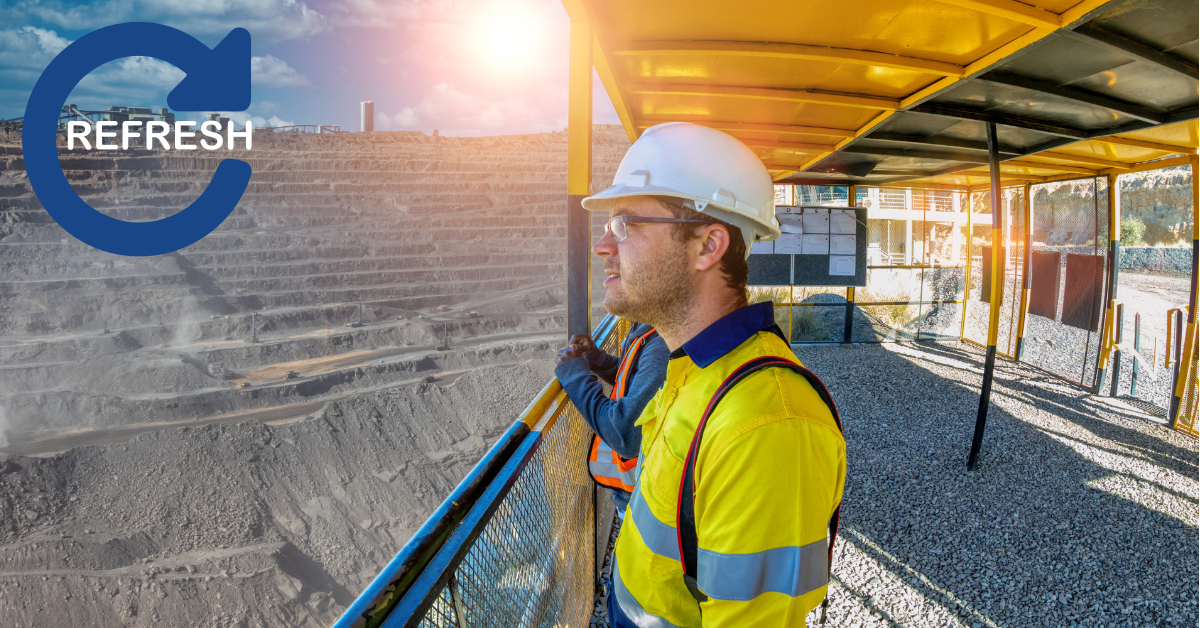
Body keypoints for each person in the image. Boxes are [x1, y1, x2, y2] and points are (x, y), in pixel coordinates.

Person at [582, 122, 847, 627]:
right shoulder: (691, 368)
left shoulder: (767, 424)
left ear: (708, 246)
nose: (602, 246)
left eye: (625, 225)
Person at [555, 320, 669, 514]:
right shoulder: (647, 327)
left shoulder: (662, 344)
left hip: (643, 498)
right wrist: (596, 358)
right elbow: (636, 380)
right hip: (637, 491)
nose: (607, 287)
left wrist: (575, 376)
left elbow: (624, 435)